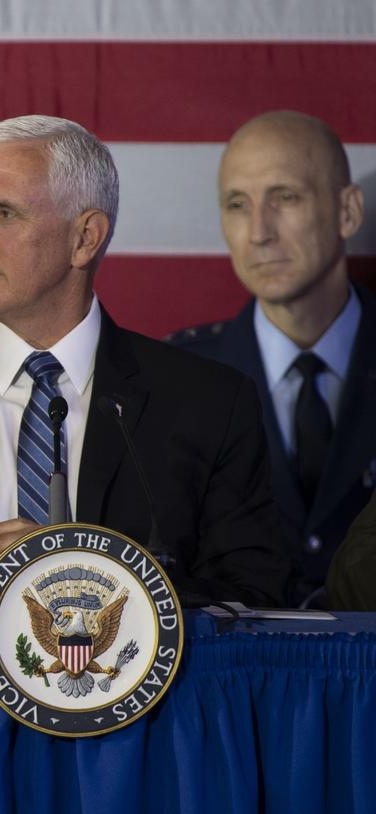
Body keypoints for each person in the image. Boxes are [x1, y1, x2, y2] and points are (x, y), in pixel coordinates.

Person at [0, 115, 289, 604]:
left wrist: (91, 573)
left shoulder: (208, 403)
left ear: (85, 237)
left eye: (3, 213)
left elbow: (254, 596)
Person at [171, 111, 373, 607]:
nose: (259, 231)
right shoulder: (177, 378)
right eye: (238, 204)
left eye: (285, 197)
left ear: (348, 211)